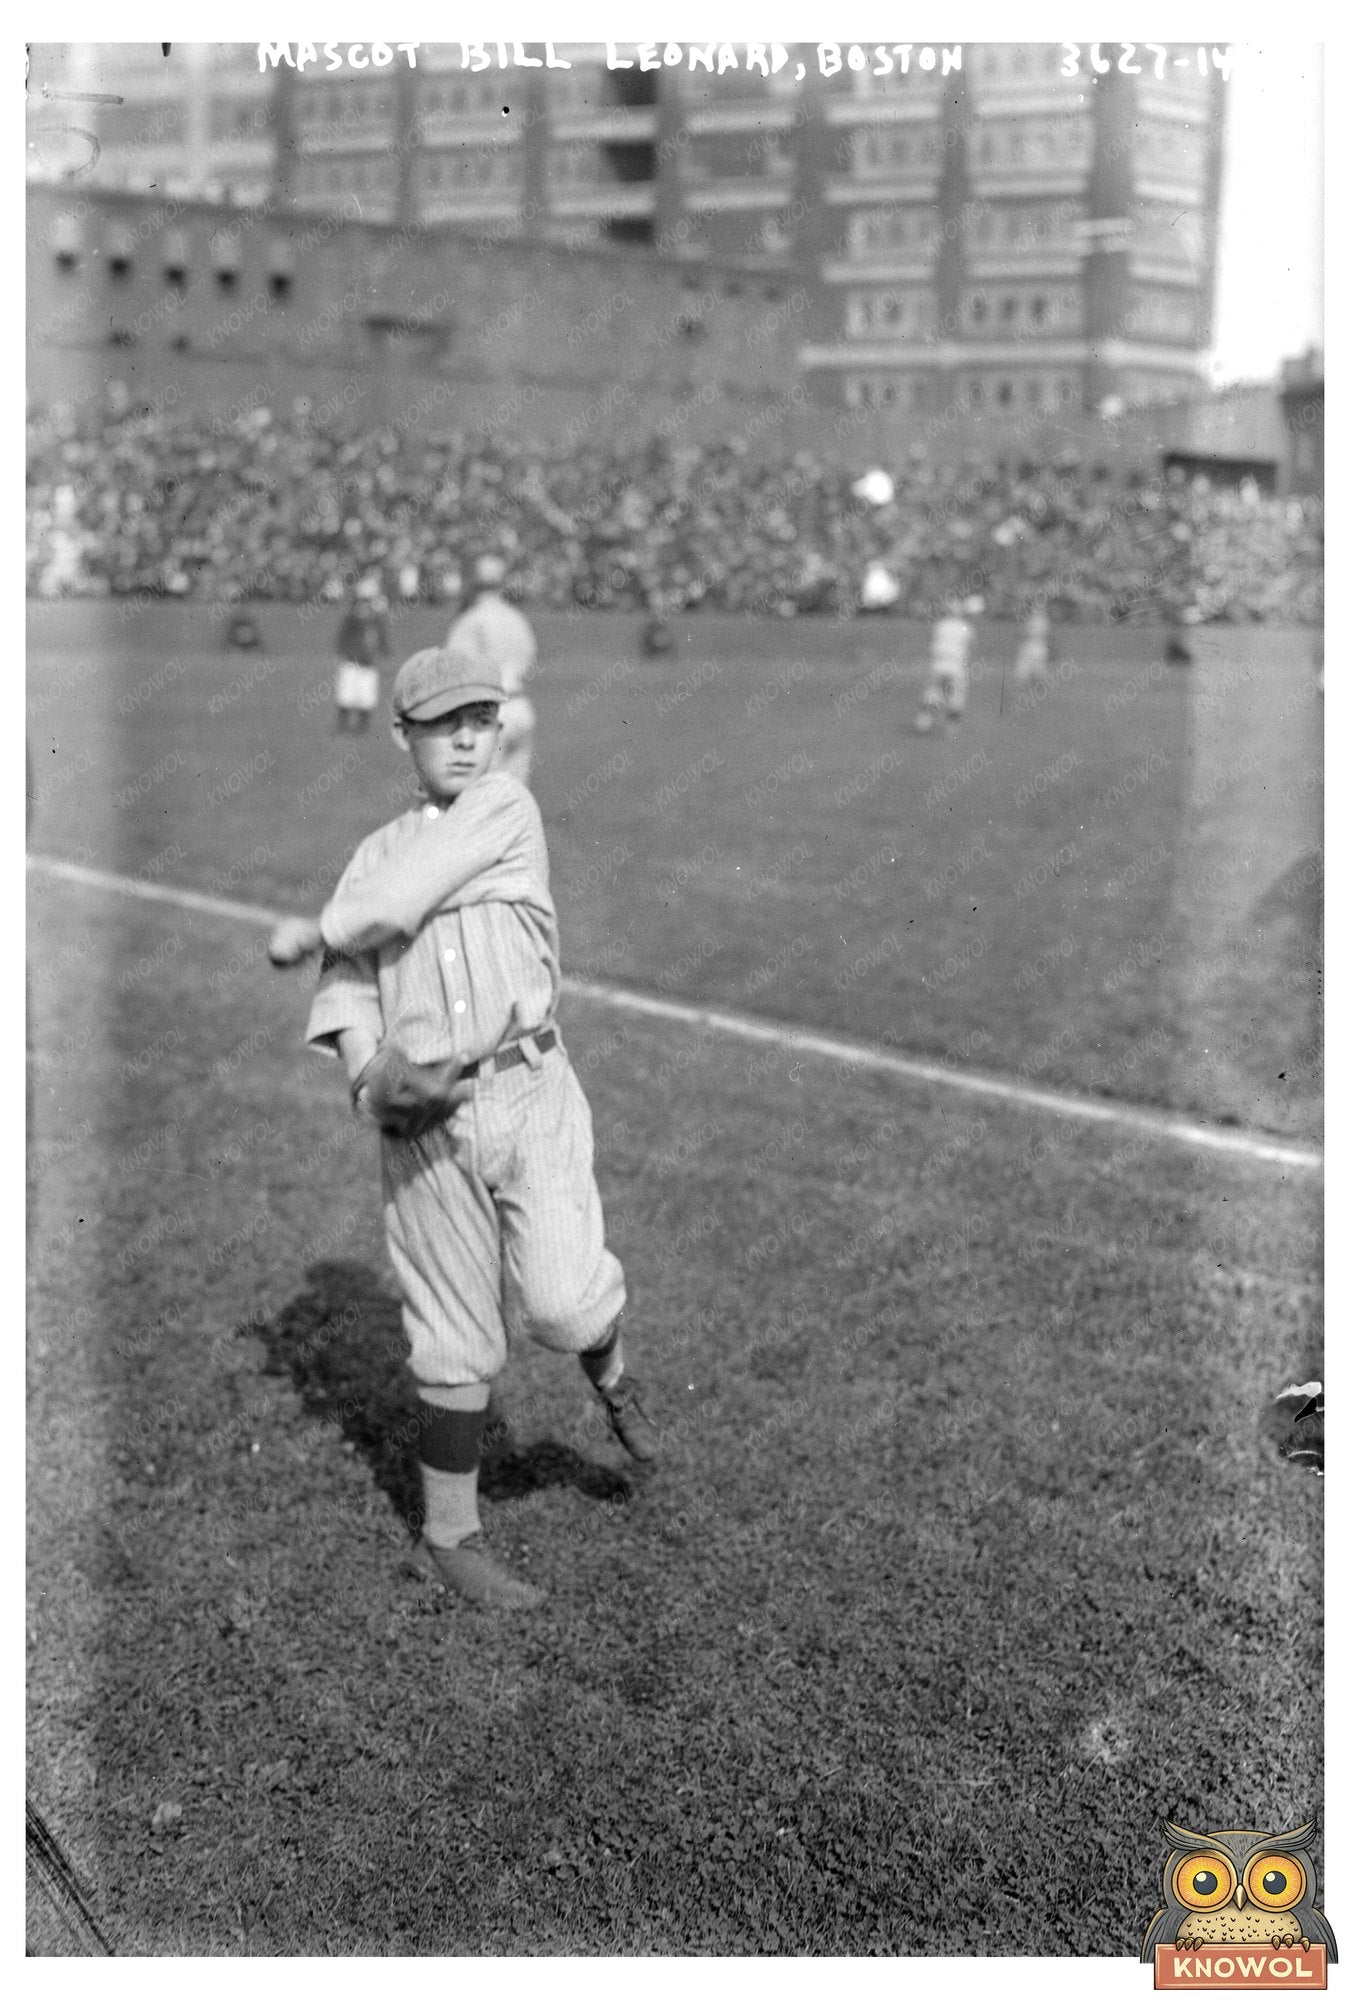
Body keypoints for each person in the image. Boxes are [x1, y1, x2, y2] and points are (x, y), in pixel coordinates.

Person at [267, 637, 658, 1612]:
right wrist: (369, 1081)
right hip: (423, 1121)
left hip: (528, 1088)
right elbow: (350, 987)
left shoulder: (504, 809)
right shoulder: (371, 857)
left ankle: (611, 1369)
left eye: (481, 718)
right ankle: (453, 1535)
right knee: (452, 1331)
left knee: (565, 1303)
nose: (469, 739)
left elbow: (392, 902)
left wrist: (316, 923)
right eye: (445, 723)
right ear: (402, 734)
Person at [445, 555, 538, 784]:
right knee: (514, 799)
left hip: (487, 710)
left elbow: (453, 668)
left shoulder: (471, 620)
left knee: (480, 797)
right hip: (521, 706)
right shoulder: (517, 618)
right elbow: (529, 660)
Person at [914, 594, 980, 733]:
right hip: (956, 665)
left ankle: (923, 722)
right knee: (956, 695)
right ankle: (951, 728)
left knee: (933, 691)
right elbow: (972, 646)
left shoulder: (940, 625)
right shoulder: (965, 627)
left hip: (938, 664)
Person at [333, 575, 391, 733]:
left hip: (368, 661)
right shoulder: (352, 618)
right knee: (346, 693)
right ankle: (342, 725)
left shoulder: (376, 619)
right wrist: (341, 652)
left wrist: (384, 650)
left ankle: (362, 726)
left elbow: (381, 637)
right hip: (352, 659)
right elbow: (343, 637)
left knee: (366, 695)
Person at [1011, 603, 1051, 687]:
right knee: (1038, 670)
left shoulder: (1034, 620)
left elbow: (1025, 633)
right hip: (1040, 646)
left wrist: (1020, 634)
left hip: (1031, 645)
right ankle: (1037, 688)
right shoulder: (1045, 620)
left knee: (1024, 669)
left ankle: (1025, 688)